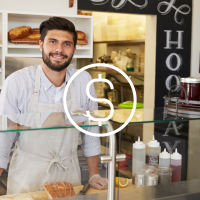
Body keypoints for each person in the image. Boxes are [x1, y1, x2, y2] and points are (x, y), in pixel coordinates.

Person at [0, 17, 107, 194]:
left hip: (69, 175)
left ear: (74, 49)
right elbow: (3, 138)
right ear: (41, 45)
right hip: (27, 175)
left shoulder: (83, 81)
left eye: (67, 44)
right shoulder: (17, 82)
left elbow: (91, 132)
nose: (59, 49)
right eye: (53, 42)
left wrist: (94, 175)